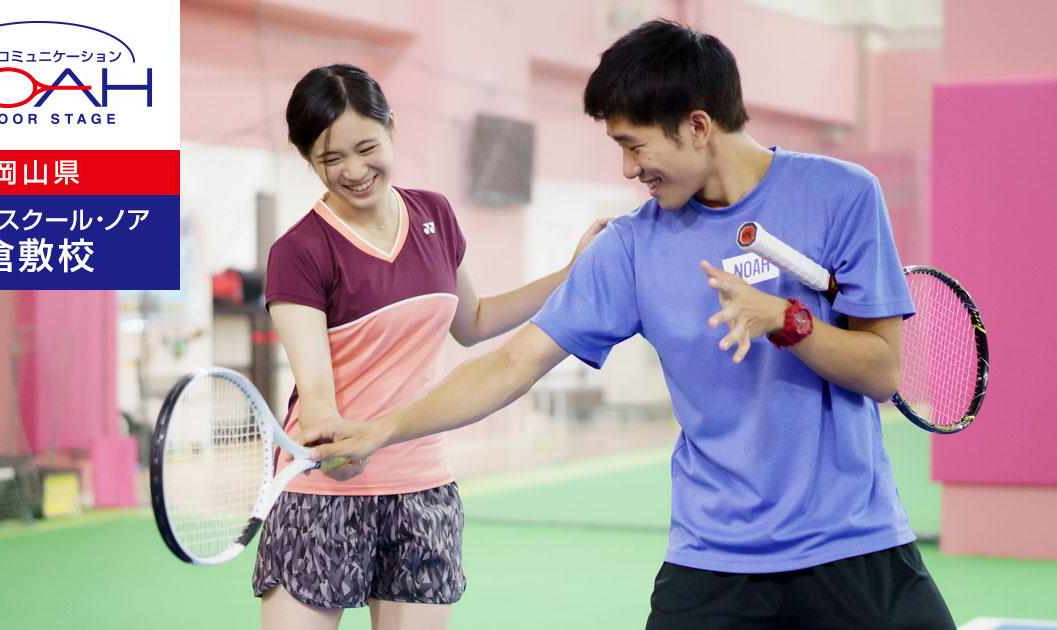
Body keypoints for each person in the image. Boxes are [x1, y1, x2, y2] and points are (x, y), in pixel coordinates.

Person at [299, 21, 956, 630]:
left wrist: (787, 321)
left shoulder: (843, 196)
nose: (626, 169)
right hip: (714, 560)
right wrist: (384, 428)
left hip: (853, 546)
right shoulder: (631, 246)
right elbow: (512, 363)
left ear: (697, 126)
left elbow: (882, 372)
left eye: (632, 145)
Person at [252, 63, 608, 630]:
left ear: (392, 125)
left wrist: (571, 273)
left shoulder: (434, 215)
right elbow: (315, 392)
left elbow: (475, 320)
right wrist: (334, 441)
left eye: (366, 147)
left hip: (422, 486)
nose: (353, 171)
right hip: (324, 489)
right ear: (307, 160)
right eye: (330, 159)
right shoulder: (299, 250)